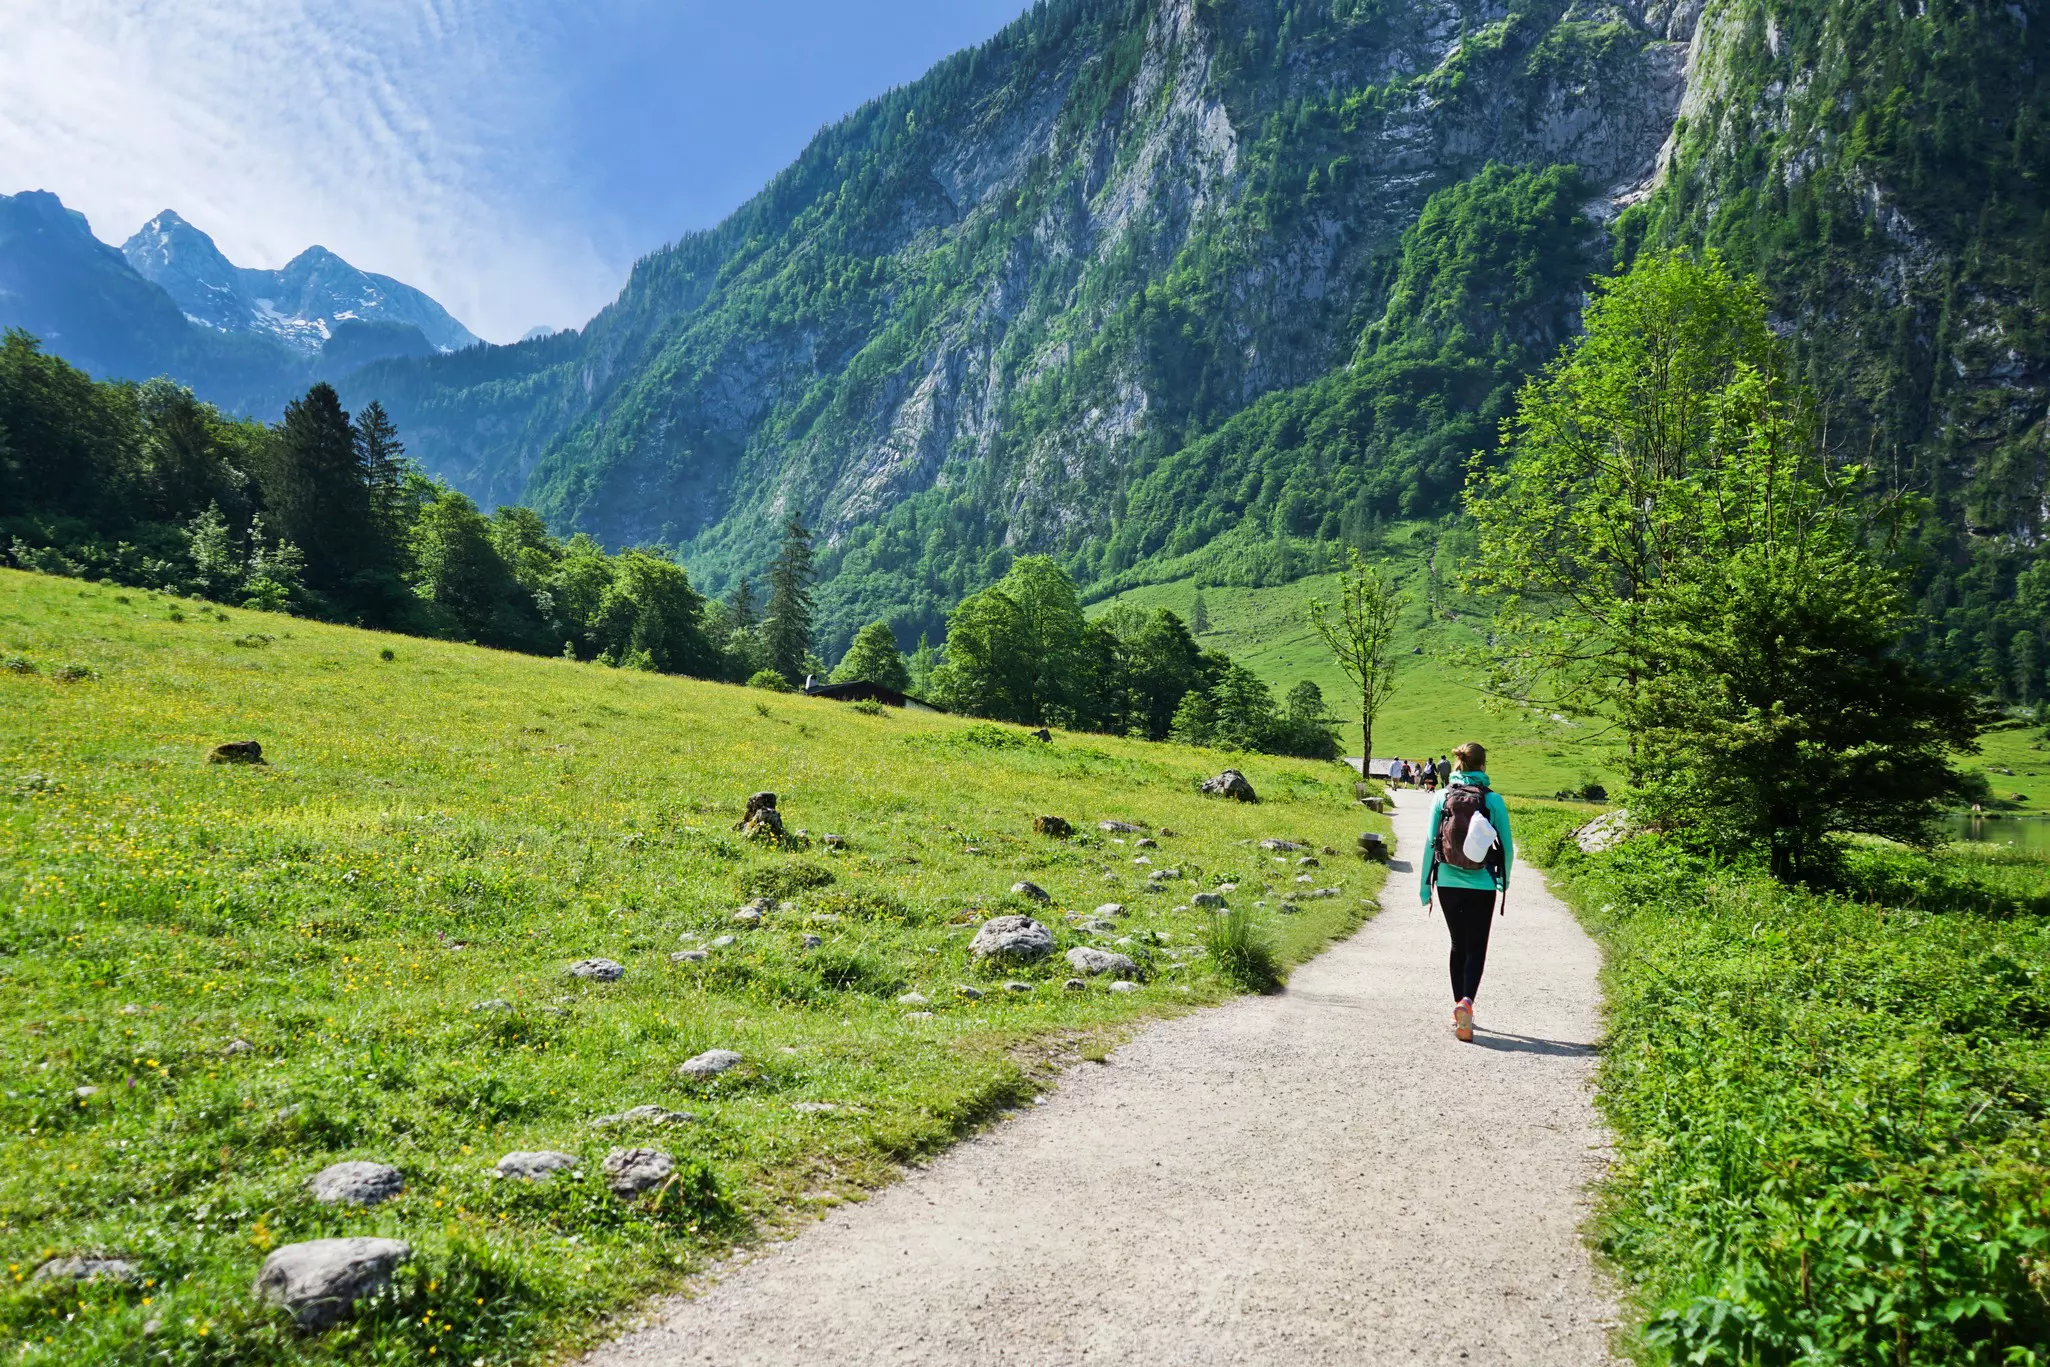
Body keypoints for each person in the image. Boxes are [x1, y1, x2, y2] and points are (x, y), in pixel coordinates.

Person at [1419, 742, 1514, 1043]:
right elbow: (1508, 848)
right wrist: (1504, 881)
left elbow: (1429, 843)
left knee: (1458, 944)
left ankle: (1457, 1005)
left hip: (1447, 881)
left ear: (1458, 765)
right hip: (1482, 883)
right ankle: (1467, 1003)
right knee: (1477, 947)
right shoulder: (1493, 800)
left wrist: (1425, 887)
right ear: (1483, 766)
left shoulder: (1441, 797)